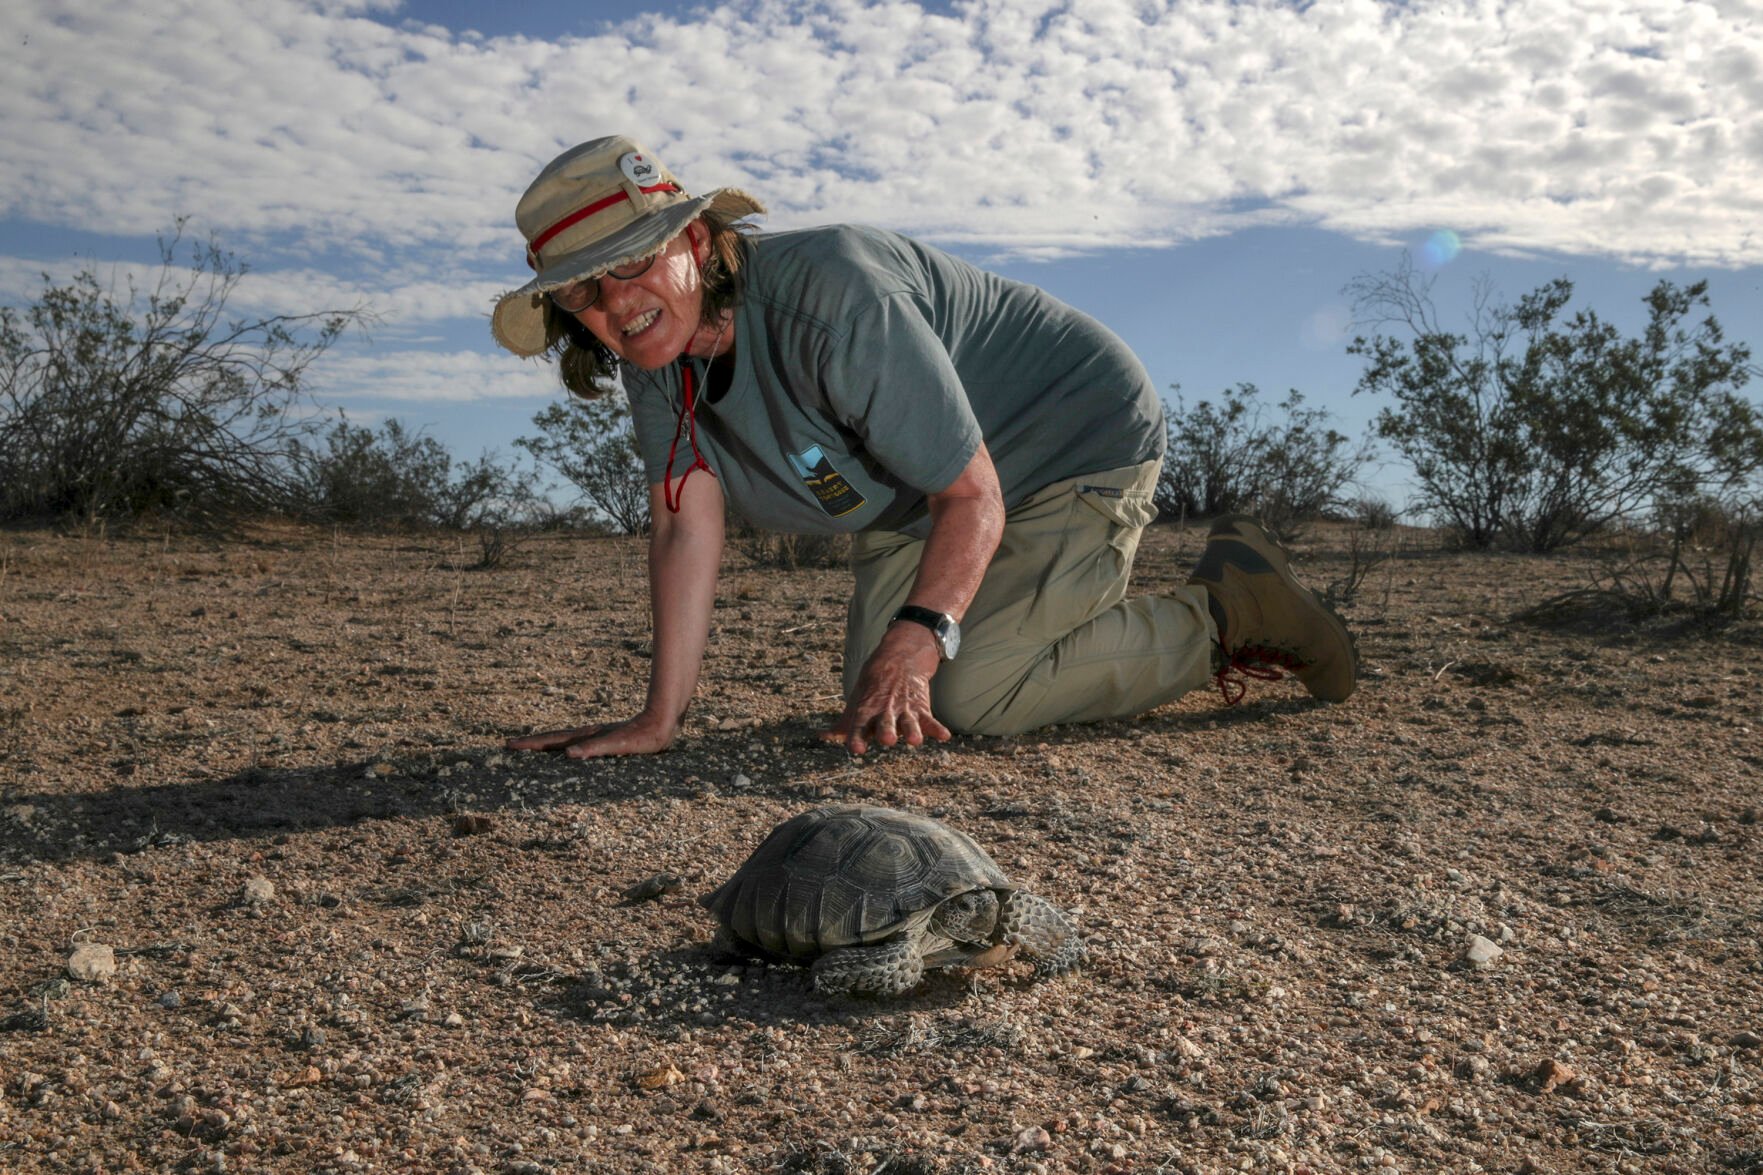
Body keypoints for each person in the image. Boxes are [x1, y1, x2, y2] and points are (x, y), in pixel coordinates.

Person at [492, 135, 1356, 759]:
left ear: (692, 241)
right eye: (581, 293)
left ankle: (1229, 612)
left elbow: (974, 495)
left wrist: (921, 636)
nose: (615, 303)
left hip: (1065, 436)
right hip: (920, 492)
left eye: (631, 263)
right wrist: (658, 718)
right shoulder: (656, 358)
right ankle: (1012, 625)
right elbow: (686, 527)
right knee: (881, 700)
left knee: (970, 692)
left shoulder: (834, 297)